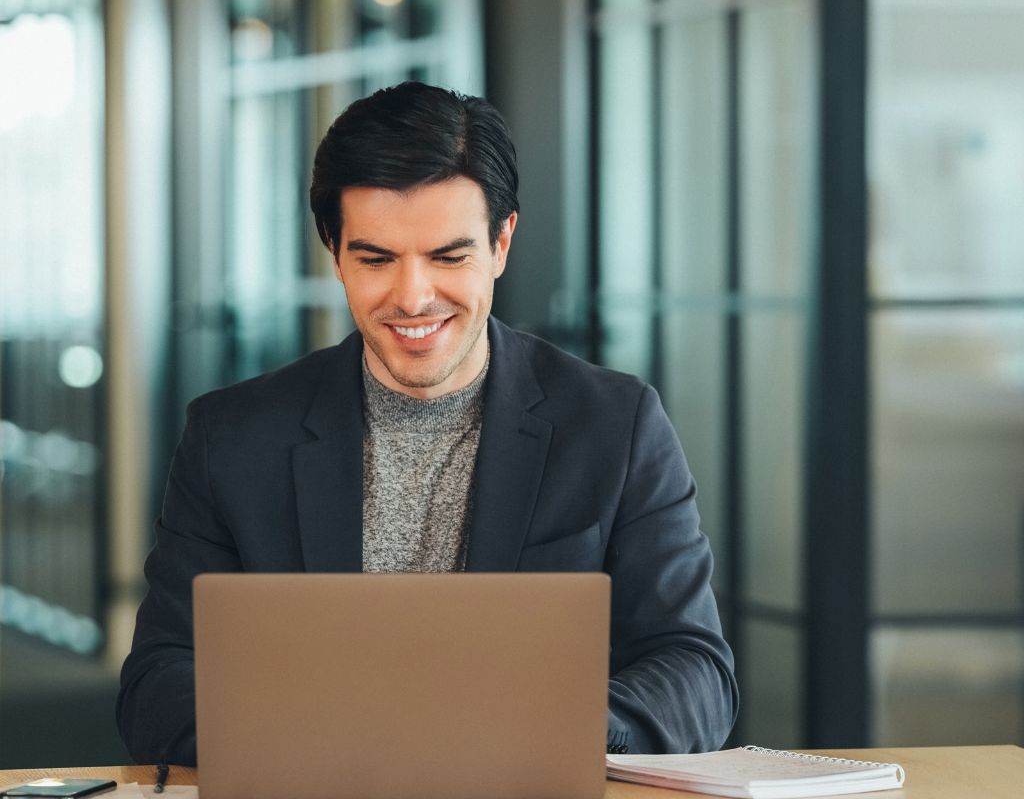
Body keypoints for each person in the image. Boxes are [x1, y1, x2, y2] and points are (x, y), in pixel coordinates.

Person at [117, 81, 737, 765]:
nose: (413, 297)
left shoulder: (616, 425)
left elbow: (695, 669)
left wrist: (558, 732)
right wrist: (328, 744)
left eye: (448, 256)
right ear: (334, 251)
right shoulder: (231, 437)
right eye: (376, 258)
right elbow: (157, 683)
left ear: (502, 242)